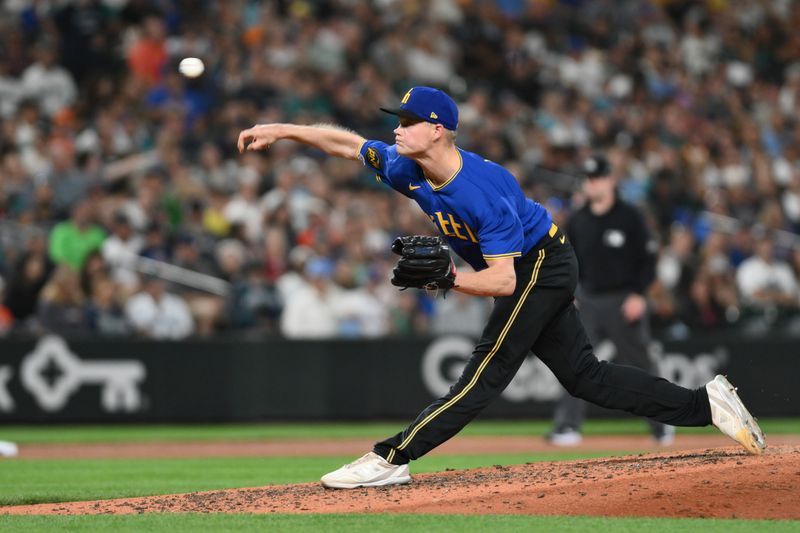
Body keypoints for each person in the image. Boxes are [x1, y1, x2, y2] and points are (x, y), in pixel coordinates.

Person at [237, 86, 765, 490]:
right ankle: (707, 404)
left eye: (409, 121)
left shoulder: (482, 193)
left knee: (485, 372)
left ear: (439, 130)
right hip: (530, 266)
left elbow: (504, 280)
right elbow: (349, 145)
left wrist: (449, 279)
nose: (397, 129)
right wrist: (283, 130)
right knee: (586, 378)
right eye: (397, 121)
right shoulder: (408, 168)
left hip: (542, 263)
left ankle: (390, 459)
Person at [547, 154, 673, 446]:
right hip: (589, 300)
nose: (592, 183)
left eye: (597, 178)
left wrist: (639, 295)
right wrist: (571, 293)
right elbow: (569, 261)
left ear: (610, 180)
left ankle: (663, 423)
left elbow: (649, 260)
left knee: (641, 365)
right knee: (573, 360)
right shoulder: (579, 219)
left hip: (623, 300)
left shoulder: (630, 216)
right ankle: (568, 426)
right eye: (588, 179)